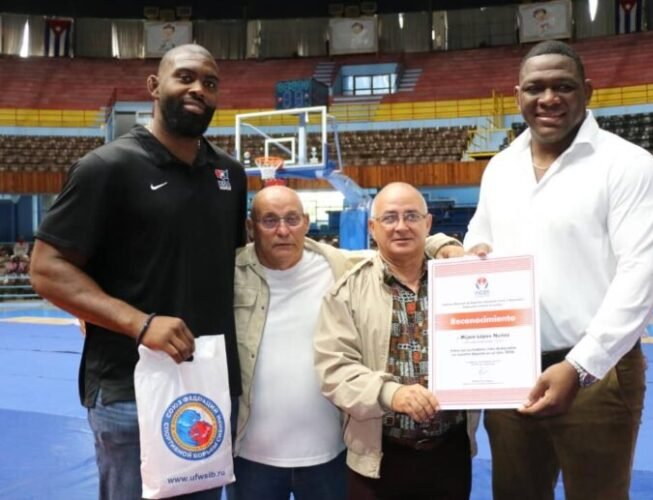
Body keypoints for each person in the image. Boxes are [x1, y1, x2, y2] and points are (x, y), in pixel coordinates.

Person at [29, 44, 247, 500]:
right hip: (128, 390)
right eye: (184, 77)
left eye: (209, 83)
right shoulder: (106, 167)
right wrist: (139, 322)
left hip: (207, 388)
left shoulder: (229, 174)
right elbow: (47, 269)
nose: (197, 90)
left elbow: (243, 263)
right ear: (153, 86)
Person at [463, 40, 653, 499]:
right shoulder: (499, 168)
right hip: (510, 369)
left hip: (599, 372)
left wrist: (579, 366)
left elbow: (643, 275)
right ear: (518, 95)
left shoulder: (627, 164)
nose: (549, 99)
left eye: (563, 86)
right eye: (535, 88)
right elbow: (479, 234)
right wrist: (470, 254)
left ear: (588, 92)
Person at [232, 185, 461, 500]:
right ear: (250, 227)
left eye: (292, 219)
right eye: (270, 221)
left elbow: (399, 243)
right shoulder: (230, 274)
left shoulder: (337, 265)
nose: (283, 230)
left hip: (329, 452)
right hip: (250, 454)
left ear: (307, 222)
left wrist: (444, 245)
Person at [315, 182, 480, 500]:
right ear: (372, 227)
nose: (401, 226)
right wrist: (390, 393)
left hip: (451, 452)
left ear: (428, 224)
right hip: (378, 457)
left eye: (411, 216)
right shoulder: (346, 291)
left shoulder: (460, 282)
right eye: (389, 218)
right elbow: (334, 370)